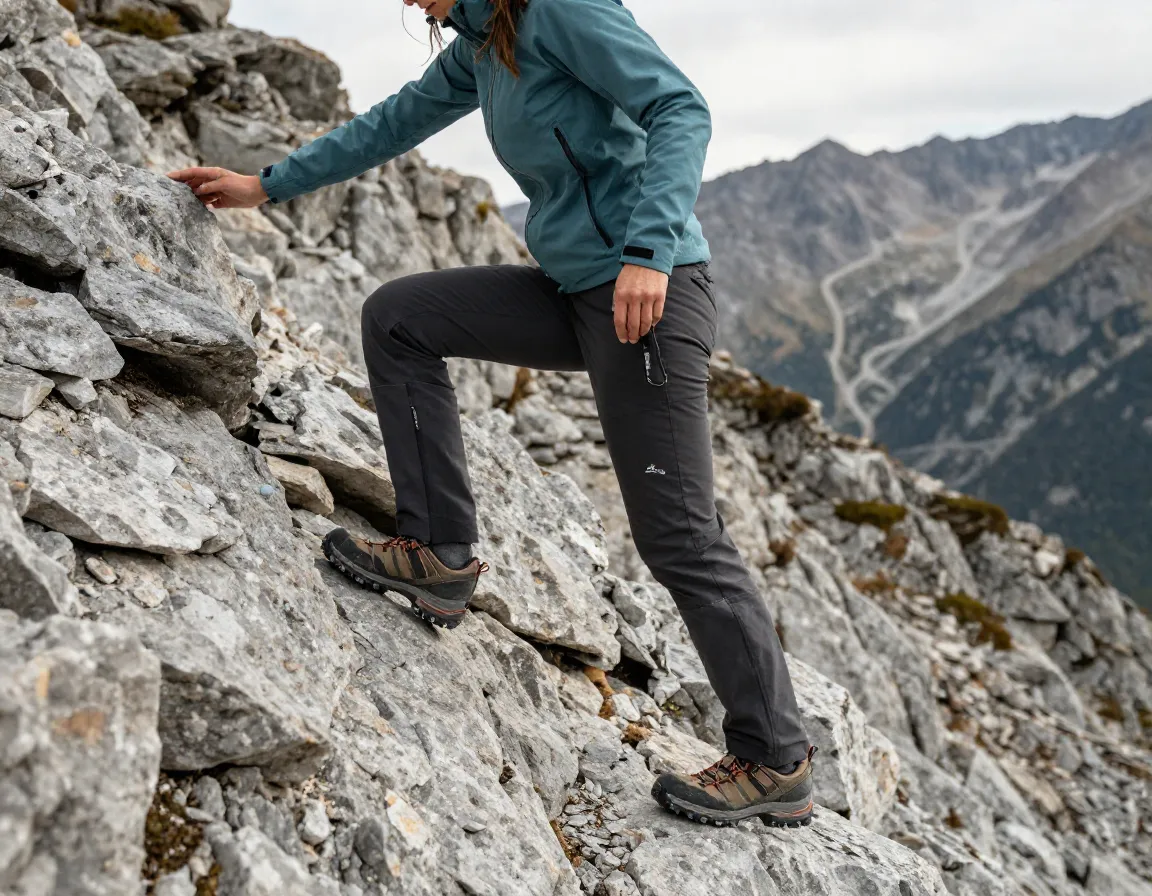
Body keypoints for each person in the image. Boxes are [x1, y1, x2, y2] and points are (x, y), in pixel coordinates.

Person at [168, 0, 815, 828]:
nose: (407, 2)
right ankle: (438, 551)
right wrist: (267, 184)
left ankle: (774, 756)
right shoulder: (481, 40)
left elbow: (679, 106)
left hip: (648, 293)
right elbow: (394, 122)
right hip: (573, 291)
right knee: (399, 317)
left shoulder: (560, 10)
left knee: (680, 534)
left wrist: (650, 251)